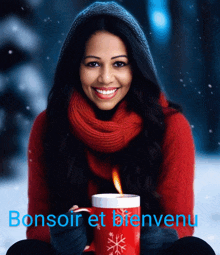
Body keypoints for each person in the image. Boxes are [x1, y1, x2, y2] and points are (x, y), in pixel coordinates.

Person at [7, 1, 216, 255]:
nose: (106, 78)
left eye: (119, 64)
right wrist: (61, 237)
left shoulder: (171, 126)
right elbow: (37, 227)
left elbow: (181, 224)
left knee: (194, 250)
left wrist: (161, 237)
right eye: (93, 63)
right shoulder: (48, 125)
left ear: (136, 67)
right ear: (75, 67)